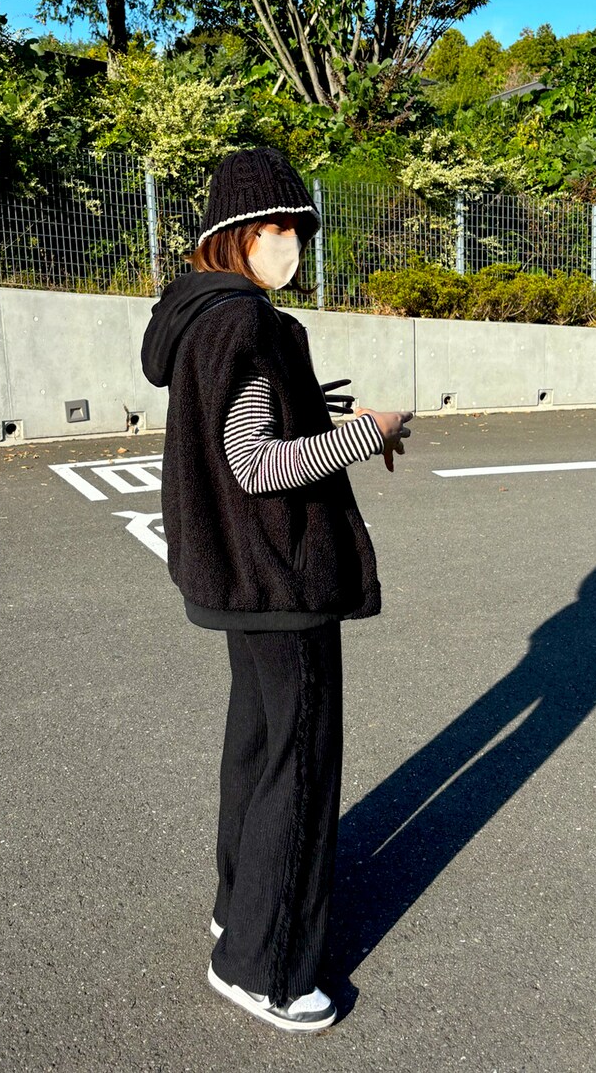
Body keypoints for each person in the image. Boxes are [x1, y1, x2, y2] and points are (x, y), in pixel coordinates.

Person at [140, 147, 412, 1033]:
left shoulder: (198, 315)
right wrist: (371, 431)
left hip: (238, 576)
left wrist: (319, 412)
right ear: (235, 234)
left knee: (257, 750)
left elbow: (243, 427)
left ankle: (241, 912)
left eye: (298, 227)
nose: (289, 242)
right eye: (273, 227)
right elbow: (257, 465)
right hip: (280, 574)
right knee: (298, 768)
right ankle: (264, 970)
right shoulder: (249, 324)